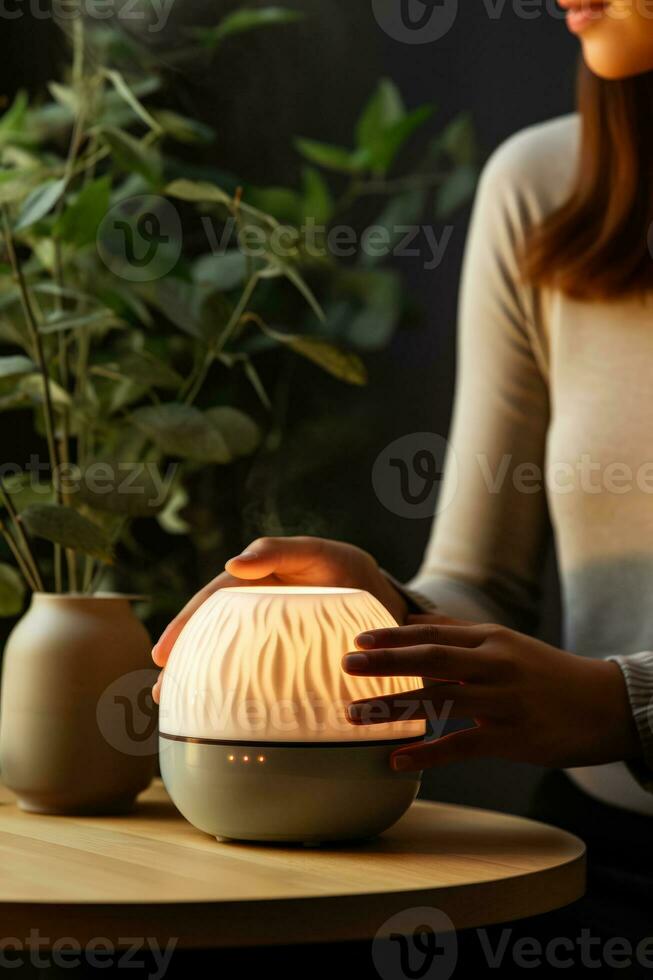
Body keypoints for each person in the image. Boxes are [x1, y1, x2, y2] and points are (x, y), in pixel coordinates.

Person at [152, 1, 653, 972]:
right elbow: (480, 581)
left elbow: (606, 702)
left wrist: (621, 705)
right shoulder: (544, 188)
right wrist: (384, 605)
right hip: (592, 866)